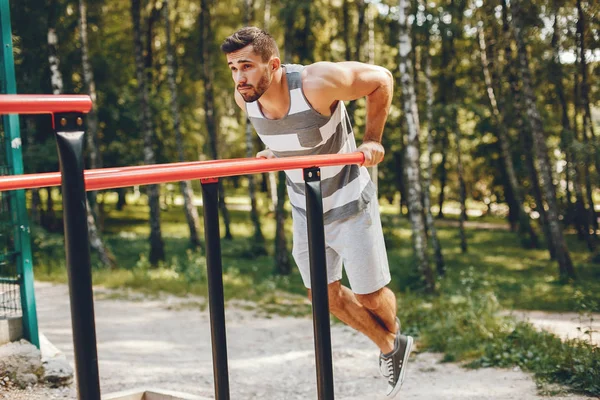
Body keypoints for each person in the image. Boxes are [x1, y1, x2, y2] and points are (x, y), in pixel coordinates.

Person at [221, 26, 412, 398]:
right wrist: (278, 154)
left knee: (371, 295)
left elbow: (381, 80)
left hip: (349, 200)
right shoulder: (244, 97)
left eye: (247, 66)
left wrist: (373, 139)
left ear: (273, 64)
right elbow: (294, 137)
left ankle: (392, 330)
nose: (239, 77)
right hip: (304, 206)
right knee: (321, 295)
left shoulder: (316, 82)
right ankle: (392, 345)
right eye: (232, 68)